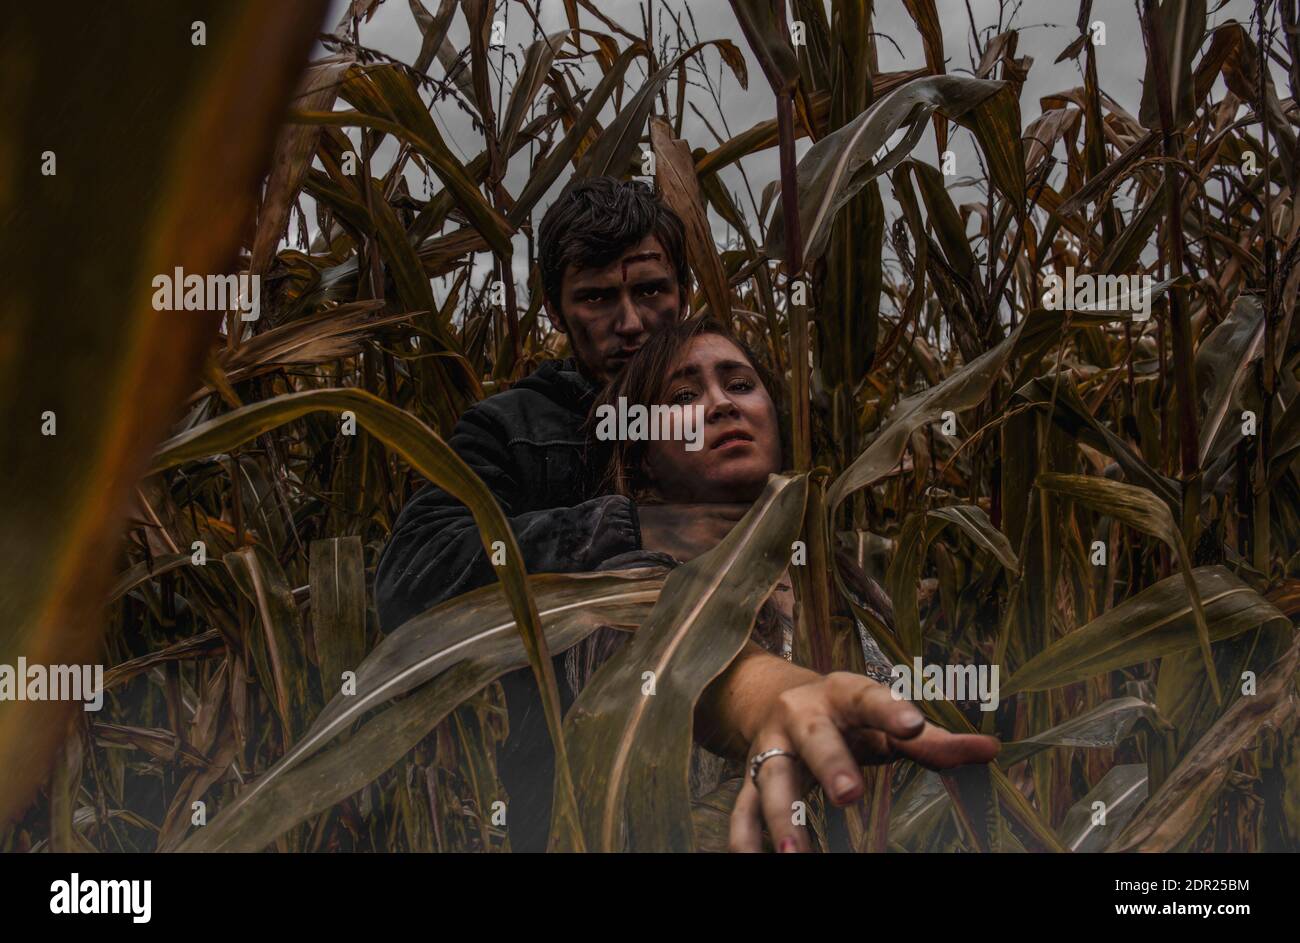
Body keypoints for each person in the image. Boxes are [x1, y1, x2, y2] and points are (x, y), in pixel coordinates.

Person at [586, 316, 1000, 852]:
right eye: (684, 395)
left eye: (739, 384)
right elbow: (692, 665)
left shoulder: (851, 581)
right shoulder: (620, 590)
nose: (721, 404)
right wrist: (787, 700)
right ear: (641, 453)